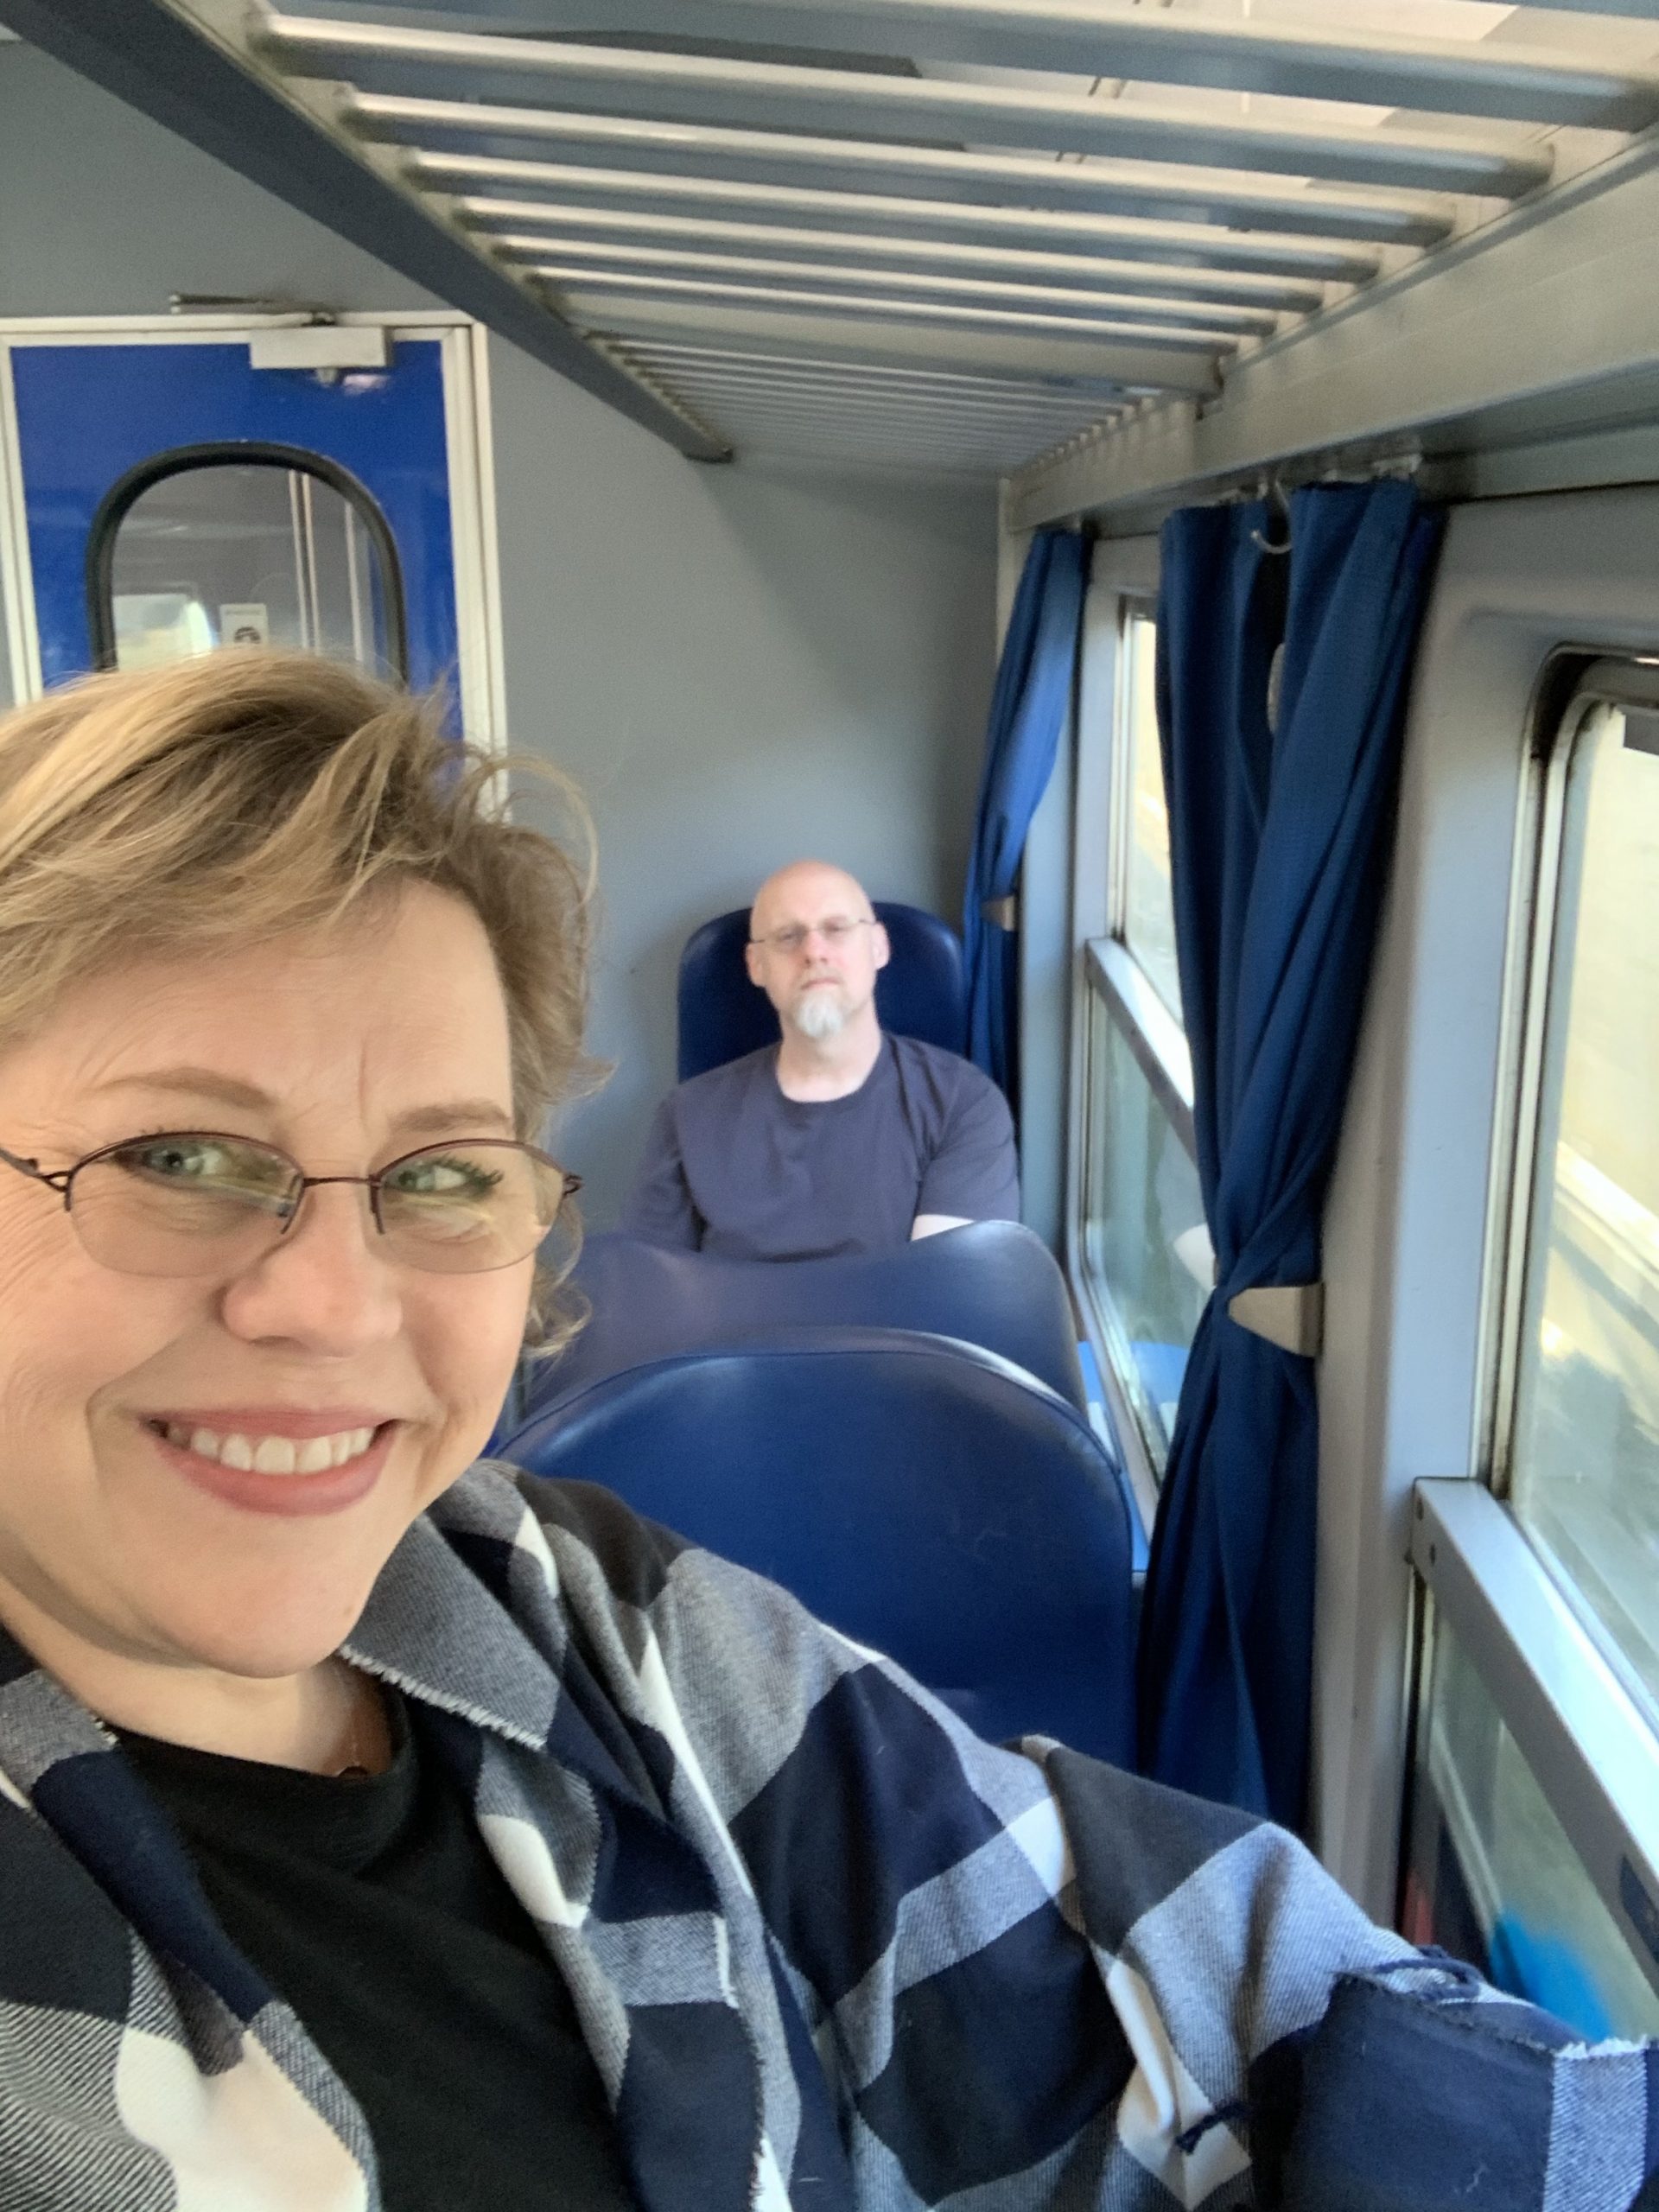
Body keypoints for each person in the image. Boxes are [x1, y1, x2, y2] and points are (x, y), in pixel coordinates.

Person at [0, 652, 1648, 2212]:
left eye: (439, 1175)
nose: (333, 1307)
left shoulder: (595, 1613)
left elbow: (1206, 1975)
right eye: (177, 1160)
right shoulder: (696, 1128)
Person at [624, 860, 1020, 1259]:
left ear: (878, 947)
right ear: (756, 965)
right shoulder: (685, 1117)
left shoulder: (961, 1104)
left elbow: (946, 1285)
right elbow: (653, 1284)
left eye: (837, 929)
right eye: (787, 936)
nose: (814, 951)